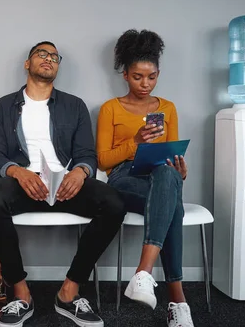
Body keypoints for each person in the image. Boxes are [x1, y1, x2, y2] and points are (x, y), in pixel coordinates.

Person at [0, 41, 126, 327]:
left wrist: (80, 173)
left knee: (114, 203)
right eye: (41, 54)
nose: (49, 59)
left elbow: (86, 154)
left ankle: (69, 292)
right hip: (24, 183)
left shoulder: (74, 105)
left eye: (54, 57)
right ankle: (21, 295)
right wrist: (18, 173)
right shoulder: (2, 106)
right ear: (27, 63)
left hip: (65, 184)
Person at [96, 29, 194, 327]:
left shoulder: (168, 108)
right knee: (172, 207)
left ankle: (143, 274)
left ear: (158, 74)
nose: (145, 84)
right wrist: (135, 142)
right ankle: (177, 300)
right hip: (124, 178)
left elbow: (172, 154)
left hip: (161, 177)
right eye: (138, 76)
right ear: (125, 74)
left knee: (167, 174)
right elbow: (103, 160)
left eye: (151, 77)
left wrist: (180, 169)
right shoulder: (110, 108)